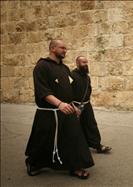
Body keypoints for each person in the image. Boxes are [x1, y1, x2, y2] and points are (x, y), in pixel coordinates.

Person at [25, 39, 94, 179]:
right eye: (62, 48)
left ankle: (75, 166)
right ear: (52, 49)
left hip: (67, 110)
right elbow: (42, 91)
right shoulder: (41, 66)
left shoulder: (64, 68)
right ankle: (33, 163)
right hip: (49, 113)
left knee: (74, 138)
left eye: (66, 48)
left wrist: (73, 106)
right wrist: (59, 104)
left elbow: (68, 90)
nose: (65, 50)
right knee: (43, 140)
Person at [71, 56, 112, 153]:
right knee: (76, 126)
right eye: (83, 62)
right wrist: (72, 106)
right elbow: (67, 91)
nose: (86, 64)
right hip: (75, 106)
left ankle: (97, 145)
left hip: (86, 105)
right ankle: (77, 147)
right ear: (77, 63)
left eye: (86, 62)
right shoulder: (71, 75)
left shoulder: (87, 77)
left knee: (91, 125)